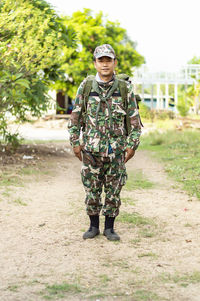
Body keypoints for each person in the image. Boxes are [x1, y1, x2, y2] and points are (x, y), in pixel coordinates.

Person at [68, 44, 142, 241]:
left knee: (113, 190)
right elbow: (75, 117)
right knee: (91, 188)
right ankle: (93, 226)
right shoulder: (86, 87)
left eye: (108, 60)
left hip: (116, 150)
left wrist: (132, 145)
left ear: (114, 63)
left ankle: (110, 228)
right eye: (101, 60)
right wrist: (75, 142)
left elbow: (134, 120)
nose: (105, 64)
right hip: (91, 149)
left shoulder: (124, 88)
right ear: (95, 63)